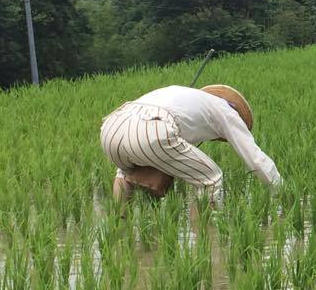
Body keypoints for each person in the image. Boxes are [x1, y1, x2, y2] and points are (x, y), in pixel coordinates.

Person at [100, 84, 281, 203]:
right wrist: (283, 192)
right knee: (211, 180)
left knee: (125, 173)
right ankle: (203, 238)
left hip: (111, 127)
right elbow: (255, 158)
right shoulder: (226, 110)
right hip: (153, 127)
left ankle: (117, 231)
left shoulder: (184, 96)